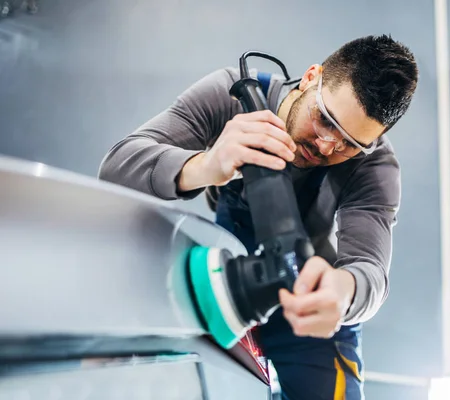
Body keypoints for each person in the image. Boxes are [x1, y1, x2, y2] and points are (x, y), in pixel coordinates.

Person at [98, 34, 418, 400]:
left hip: (310, 310)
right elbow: (116, 168)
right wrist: (204, 165)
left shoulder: (373, 166)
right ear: (312, 77)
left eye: (350, 143)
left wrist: (343, 293)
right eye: (326, 120)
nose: (328, 146)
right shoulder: (231, 96)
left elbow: (370, 269)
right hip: (225, 288)